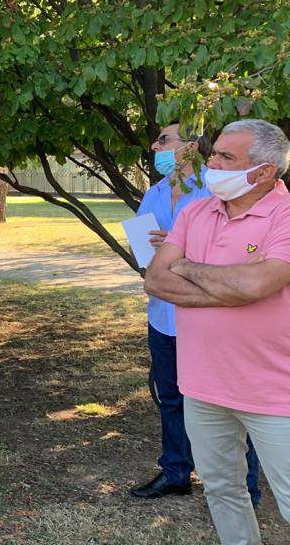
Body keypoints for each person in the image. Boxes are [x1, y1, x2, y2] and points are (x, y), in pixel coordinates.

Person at [146, 119, 290, 545]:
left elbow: (258, 285)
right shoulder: (196, 210)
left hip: (274, 393)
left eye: (227, 157)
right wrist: (233, 287)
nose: (213, 162)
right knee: (223, 490)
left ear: (264, 172)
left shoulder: (284, 215)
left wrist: (187, 267)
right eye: (215, 153)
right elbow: (156, 279)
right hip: (203, 387)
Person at [129, 125, 261, 504]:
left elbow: (234, 257)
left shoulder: (218, 190)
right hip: (163, 317)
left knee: (230, 404)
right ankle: (175, 472)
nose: (156, 146)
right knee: (169, 397)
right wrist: (154, 258)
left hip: (209, 318)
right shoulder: (153, 193)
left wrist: (176, 249)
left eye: (164, 141)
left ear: (191, 146)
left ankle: (244, 488)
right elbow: (144, 258)